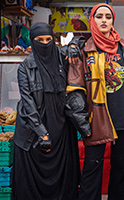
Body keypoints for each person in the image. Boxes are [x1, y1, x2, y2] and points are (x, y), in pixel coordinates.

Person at [65, 3, 124, 200]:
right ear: (92, 20)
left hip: (123, 116)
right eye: (99, 16)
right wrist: (83, 120)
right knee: (92, 167)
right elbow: (75, 87)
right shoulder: (84, 50)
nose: (104, 20)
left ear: (112, 21)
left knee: (120, 167)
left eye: (108, 17)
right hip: (96, 118)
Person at [12, 22, 80, 200]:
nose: (45, 43)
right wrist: (42, 134)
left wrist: (73, 45)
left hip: (62, 130)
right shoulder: (25, 68)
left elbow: (82, 41)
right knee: (32, 186)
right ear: (32, 42)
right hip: (34, 132)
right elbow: (28, 104)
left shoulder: (62, 56)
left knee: (64, 182)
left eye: (48, 39)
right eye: (39, 40)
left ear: (54, 39)